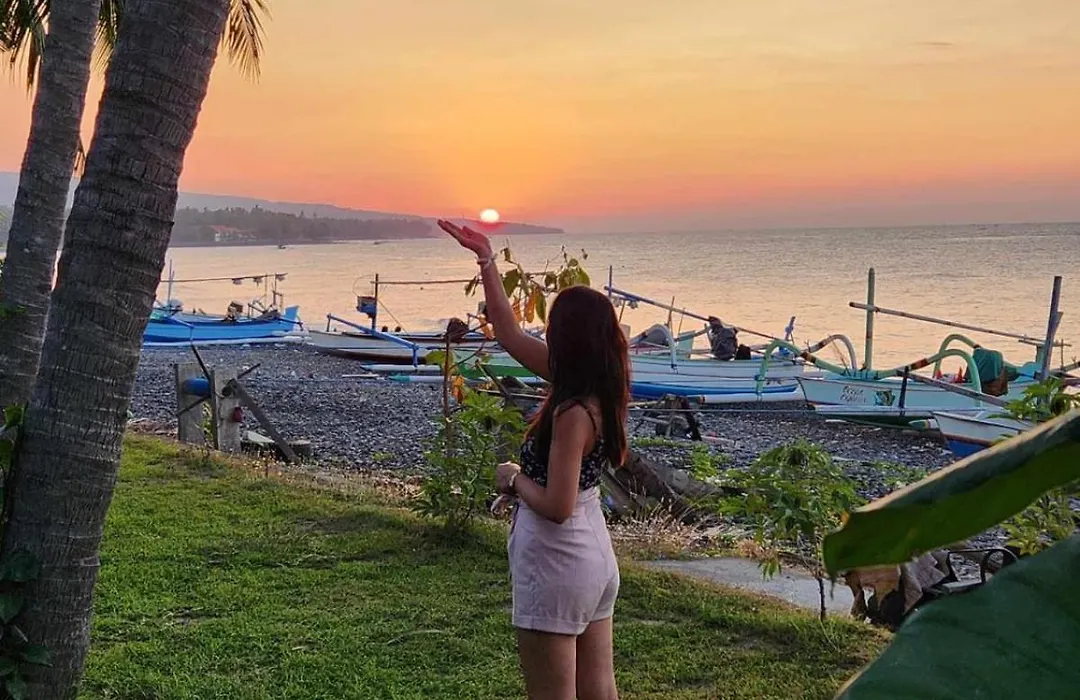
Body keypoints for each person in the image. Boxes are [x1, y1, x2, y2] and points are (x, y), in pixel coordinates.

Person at [440, 220, 628, 700]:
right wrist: (486, 258)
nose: (544, 332)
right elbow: (507, 333)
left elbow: (557, 505)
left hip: (559, 560)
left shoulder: (572, 413)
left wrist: (514, 479)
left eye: (552, 327)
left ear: (567, 338)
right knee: (600, 691)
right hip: (593, 557)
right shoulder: (597, 385)